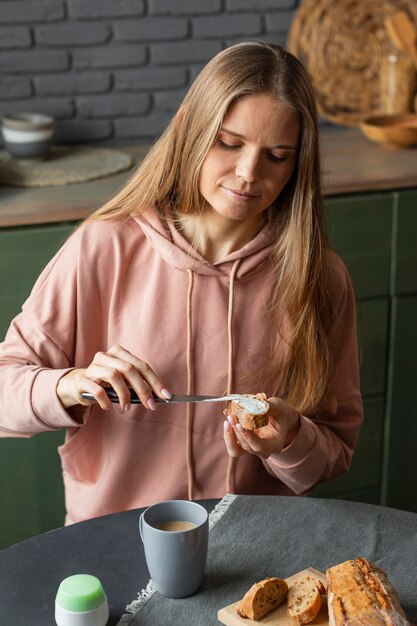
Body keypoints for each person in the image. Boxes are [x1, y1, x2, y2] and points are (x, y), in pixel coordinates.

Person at [0, 41, 363, 525]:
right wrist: (72, 384)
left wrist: (292, 437)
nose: (248, 173)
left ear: (297, 165)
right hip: (114, 541)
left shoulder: (321, 279)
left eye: (276, 156)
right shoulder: (104, 247)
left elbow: (333, 454)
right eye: (229, 143)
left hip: (253, 550)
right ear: (191, 128)